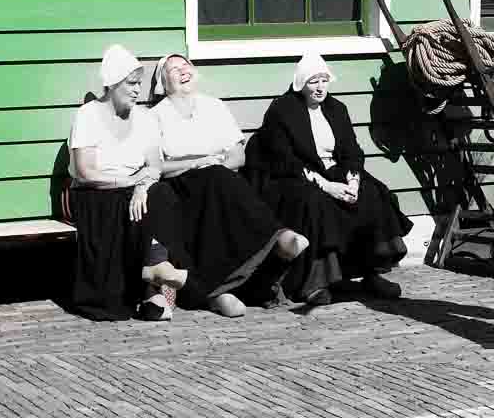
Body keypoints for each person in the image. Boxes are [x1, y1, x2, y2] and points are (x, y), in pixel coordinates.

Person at [245, 52, 412, 306]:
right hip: (291, 177)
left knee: (371, 194)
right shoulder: (283, 110)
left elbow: (351, 151)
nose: (320, 87)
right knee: (316, 204)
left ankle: (372, 272)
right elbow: (284, 160)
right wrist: (328, 186)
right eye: (313, 81)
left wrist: (353, 180)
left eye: (324, 80)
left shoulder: (336, 109)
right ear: (301, 84)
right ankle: (315, 281)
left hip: (333, 170)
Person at [151, 54, 309, 317]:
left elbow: (239, 156)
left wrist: (217, 166)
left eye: (185, 65)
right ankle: (223, 287)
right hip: (182, 186)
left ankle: (272, 245)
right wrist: (198, 163)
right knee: (216, 184)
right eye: (173, 69)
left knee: (225, 184)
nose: (182, 71)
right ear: (163, 83)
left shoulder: (214, 106)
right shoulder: (156, 116)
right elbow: (157, 166)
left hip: (222, 180)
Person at [68, 45, 204, 321]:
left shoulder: (144, 117)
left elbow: (154, 164)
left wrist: (141, 186)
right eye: (131, 84)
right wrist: (128, 182)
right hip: (96, 192)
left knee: (162, 193)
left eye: (139, 84)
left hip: (134, 188)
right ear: (113, 83)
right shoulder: (88, 115)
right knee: (126, 201)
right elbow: (85, 172)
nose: (137, 90)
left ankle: (155, 269)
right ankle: (152, 281)